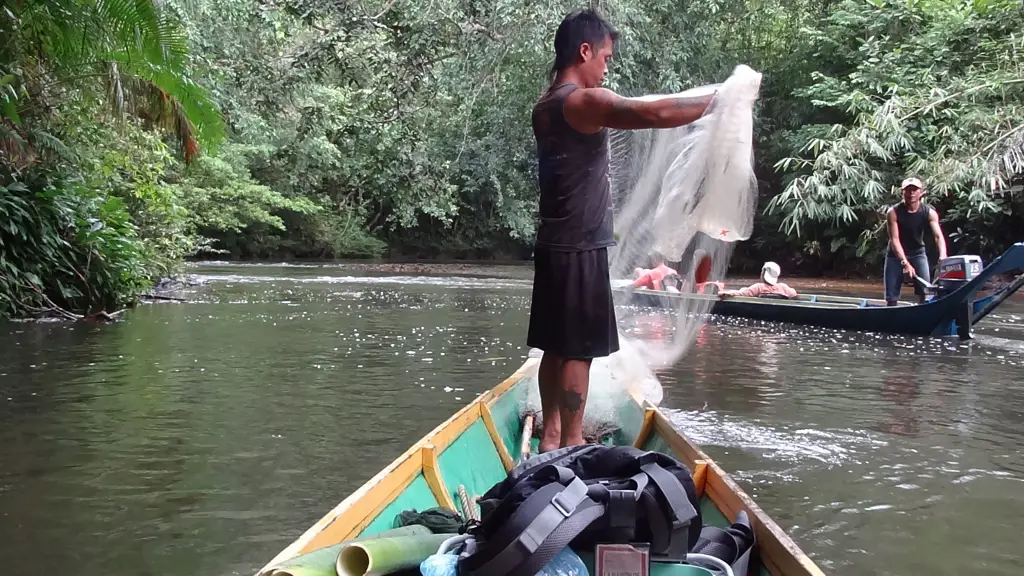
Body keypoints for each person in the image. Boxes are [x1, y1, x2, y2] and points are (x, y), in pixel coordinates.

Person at [527, 9, 715, 452]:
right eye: (605, 57)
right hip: (581, 245)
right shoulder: (580, 102)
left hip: (554, 242)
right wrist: (718, 102)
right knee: (577, 350)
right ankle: (572, 445)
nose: (607, 67)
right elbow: (651, 113)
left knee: (555, 346)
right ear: (584, 51)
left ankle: (551, 438)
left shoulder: (545, 106)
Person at [884, 177, 948, 305]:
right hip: (895, 255)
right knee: (891, 297)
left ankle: (923, 317)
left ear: (921, 192)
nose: (911, 193)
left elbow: (938, 236)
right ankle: (891, 318)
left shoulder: (929, 212)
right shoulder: (893, 212)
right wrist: (905, 263)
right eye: (908, 190)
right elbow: (895, 240)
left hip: (917, 252)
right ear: (902, 193)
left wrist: (943, 256)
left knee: (925, 292)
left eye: (914, 190)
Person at [719, 261, 797, 299]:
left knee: (743, 289)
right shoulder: (783, 287)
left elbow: (741, 293)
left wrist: (725, 292)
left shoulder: (758, 287)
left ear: (762, 275)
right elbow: (794, 293)